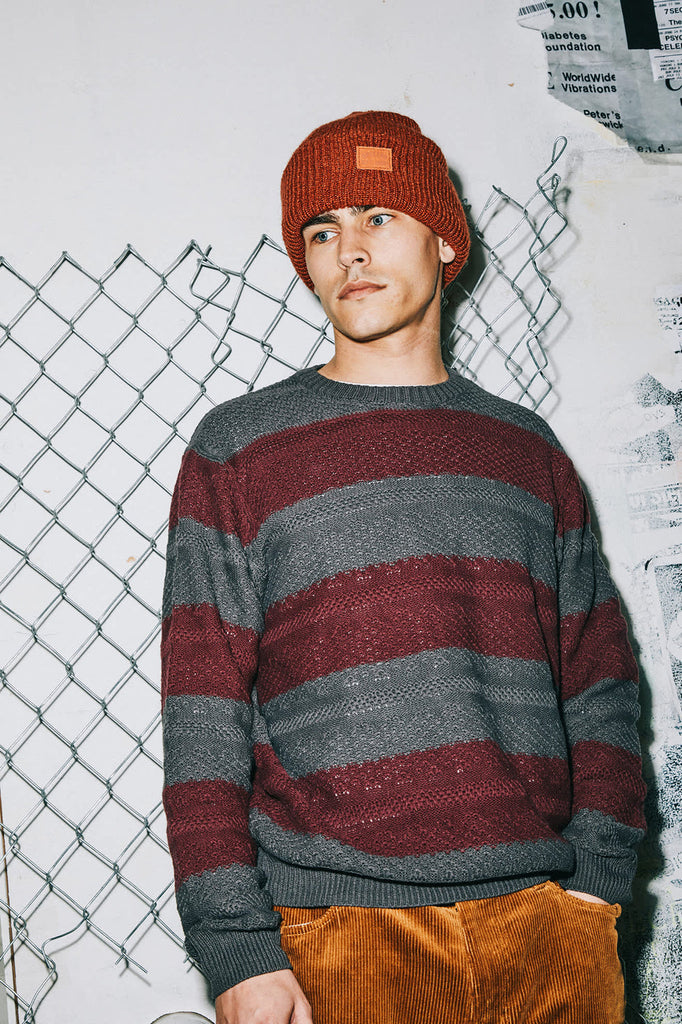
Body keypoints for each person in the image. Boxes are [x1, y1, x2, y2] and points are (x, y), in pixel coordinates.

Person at [161, 111, 647, 1024]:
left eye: (378, 216)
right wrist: (234, 948)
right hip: (337, 938)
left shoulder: (526, 451)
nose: (349, 249)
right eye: (321, 231)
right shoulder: (241, 449)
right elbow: (202, 714)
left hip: (546, 929)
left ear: (445, 240)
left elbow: (600, 680)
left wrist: (596, 886)